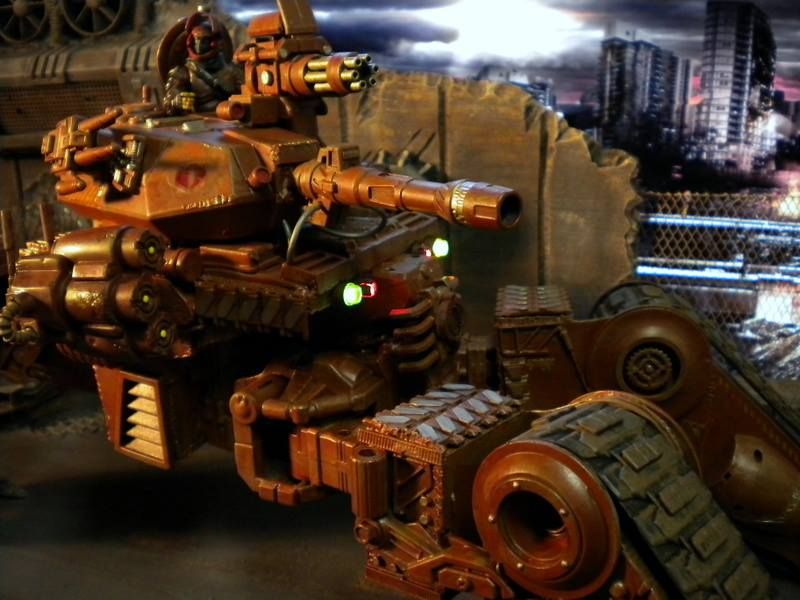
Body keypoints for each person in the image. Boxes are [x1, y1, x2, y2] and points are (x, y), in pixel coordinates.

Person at [163, 13, 242, 115]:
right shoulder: (183, 72)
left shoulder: (232, 70)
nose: (199, 45)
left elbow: (248, 96)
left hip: (230, 117)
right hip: (198, 120)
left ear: (214, 43)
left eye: (205, 40)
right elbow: (169, 101)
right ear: (191, 42)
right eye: (197, 40)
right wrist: (176, 101)